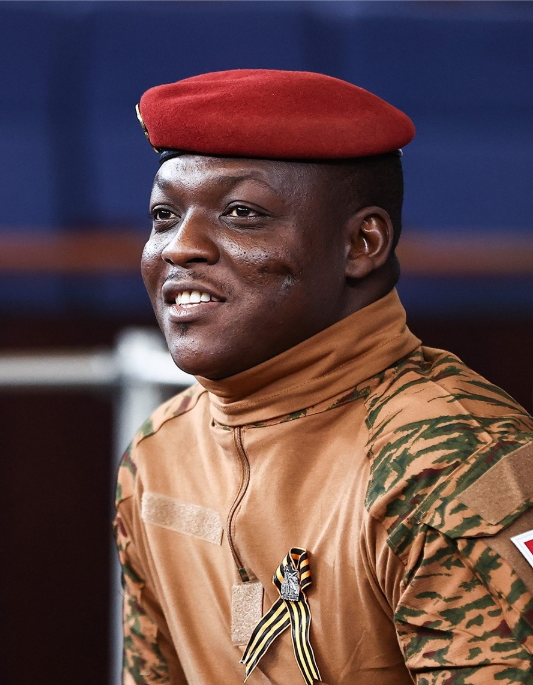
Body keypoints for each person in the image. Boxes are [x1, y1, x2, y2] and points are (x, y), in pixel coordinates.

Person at [114, 69, 533, 685]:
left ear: (362, 243)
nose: (179, 247)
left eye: (240, 213)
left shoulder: (450, 458)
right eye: (163, 215)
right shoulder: (159, 451)